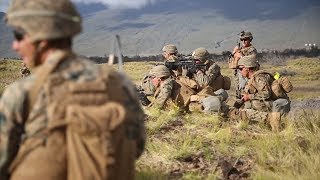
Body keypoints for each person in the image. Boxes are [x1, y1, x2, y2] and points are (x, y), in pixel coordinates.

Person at [0, 0, 145, 180]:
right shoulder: (120, 83)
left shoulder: (21, 92)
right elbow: (136, 147)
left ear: (42, 41)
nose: (15, 46)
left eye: (19, 36)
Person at [229, 55, 291, 132]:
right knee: (247, 104)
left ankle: (271, 120)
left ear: (247, 69)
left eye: (241, 69)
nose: (240, 71)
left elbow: (266, 93)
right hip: (271, 103)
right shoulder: (252, 78)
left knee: (253, 103)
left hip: (278, 105)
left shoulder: (259, 77)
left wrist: (249, 97)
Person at [187, 47, 230, 114]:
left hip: (214, 93)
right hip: (202, 92)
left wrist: (197, 71)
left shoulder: (213, 67)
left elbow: (205, 82)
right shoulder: (197, 65)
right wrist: (188, 72)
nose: (194, 62)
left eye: (196, 60)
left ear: (203, 60)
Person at [229, 31, 258, 100]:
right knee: (238, 90)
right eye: (242, 40)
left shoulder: (252, 50)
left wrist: (240, 56)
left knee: (246, 90)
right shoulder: (239, 49)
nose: (243, 41)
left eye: (245, 39)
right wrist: (234, 53)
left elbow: (250, 61)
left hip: (247, 73)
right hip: (238, 73)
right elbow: (231, 63)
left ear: (250, 39)